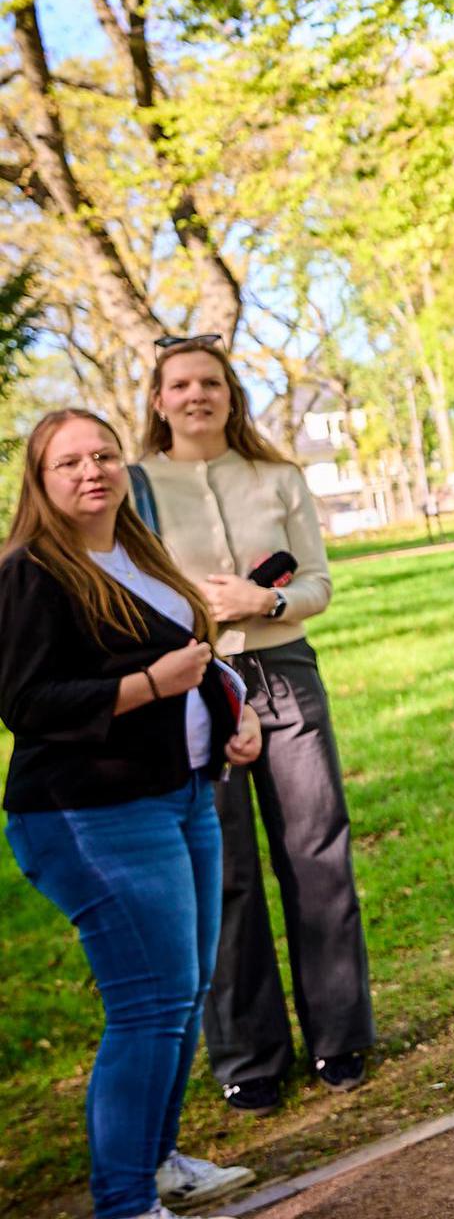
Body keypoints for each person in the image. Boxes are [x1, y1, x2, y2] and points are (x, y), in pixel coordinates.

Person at [4, 409, 265, 1219]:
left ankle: (158, 1165)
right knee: (148, 1002)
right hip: (91, 813)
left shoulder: (136, 552)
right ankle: (123, 1202)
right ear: (39, 481)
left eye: (105, 455)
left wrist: (235, 714)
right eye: (70, 462)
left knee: (182, 991)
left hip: (183, 795)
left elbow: (194, 659)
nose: (93, 471)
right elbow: (25, 702)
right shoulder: (30, 572)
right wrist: (150, 686)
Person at [135, 338, 373, 1114]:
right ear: (159, 400)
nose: (196, 395)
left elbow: (318, 582)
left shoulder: (279, 478)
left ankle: (340, 1035)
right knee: (224, 869)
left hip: (284, 672)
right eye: (180, 384)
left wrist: (264, 601)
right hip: (192, 685)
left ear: (231, 394)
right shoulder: (136, 488)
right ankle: (248, 1055)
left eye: (210, 382)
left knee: (317, 852)